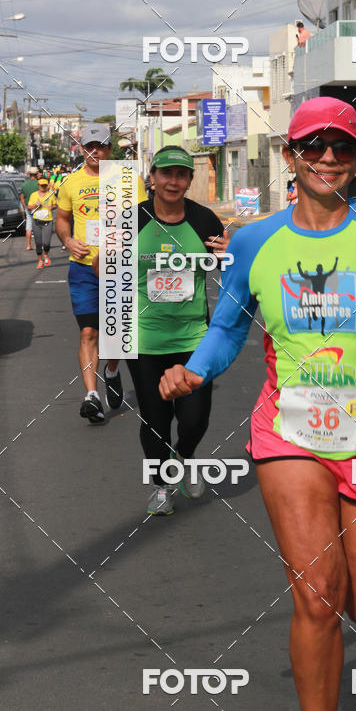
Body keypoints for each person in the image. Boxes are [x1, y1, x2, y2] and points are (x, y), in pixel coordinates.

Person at [158, 96, 356, 710]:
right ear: (290, 154)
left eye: (342, 146)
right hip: (287, 435)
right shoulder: (254, 241)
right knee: (318, 596)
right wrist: (194, 370)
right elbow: (227, 327)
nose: (328, 157)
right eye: (313, 146)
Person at [121, 145, 228, 515]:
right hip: (145, 340)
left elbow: (229, 270)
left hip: (194, 338)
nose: (173, 181)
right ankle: (162, 485)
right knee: (156, 420)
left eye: (181, 174)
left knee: (195, 418)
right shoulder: (131, 220)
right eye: (166, 173)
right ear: (152, 177)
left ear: (189, 180)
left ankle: (184, 457)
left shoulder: (205, 220)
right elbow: (106, 275)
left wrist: (228, 256)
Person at [55, 124, 147, 425]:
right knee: (88, 332)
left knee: (116, 333)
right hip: (82, 267)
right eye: (90, 146)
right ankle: (92, 396)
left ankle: (112, 369)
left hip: (119, 266)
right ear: (82, 148)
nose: (95, 151)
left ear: (110, 149)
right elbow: (62, 219)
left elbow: (144, 219)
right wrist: (68, 240)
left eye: (101, 146)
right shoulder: (70, 182)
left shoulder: (128, 180)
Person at [28, 177, 58, 268]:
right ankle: (40, 260)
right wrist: (35, 205)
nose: (43, 187)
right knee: (38, 243)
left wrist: (52, 207)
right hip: (36, 221)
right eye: (42, 185)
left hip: (48, 221)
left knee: (46, 243)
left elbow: (55, 205)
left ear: (47, 186)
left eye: (45, 185)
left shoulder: (50, 194)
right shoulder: (33, 195)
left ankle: (46, 254)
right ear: (38, 186)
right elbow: (29, 207)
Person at [19, 168, 39, 251]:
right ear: (37, 174)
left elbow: (22, 197)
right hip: (38, 208)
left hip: (28, 207)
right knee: (37, 226)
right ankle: (37, 245)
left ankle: (28, 245)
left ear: (29, 174)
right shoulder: (39, 183)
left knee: (29, 226)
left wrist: (24, 206)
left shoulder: (24, 184)